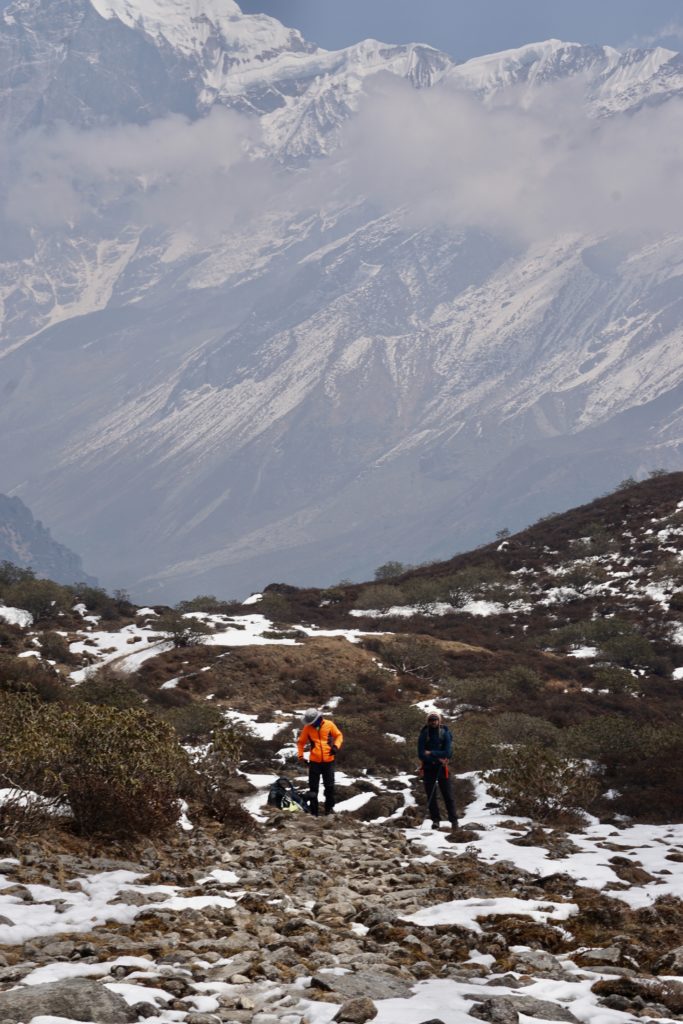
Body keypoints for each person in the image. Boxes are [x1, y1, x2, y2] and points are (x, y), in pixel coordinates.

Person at [297, 709, 343, 817]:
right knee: (313, 789)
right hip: (314, 763)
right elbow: (300, 743)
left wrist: (336, 747)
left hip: (329, 761)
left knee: (330, 787)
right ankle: (314, 813)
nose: (310, 724)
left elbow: (339, 736)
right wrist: (300, 756)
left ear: (318, 718)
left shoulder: (329, 724)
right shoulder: (307, 728)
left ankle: (328, 810)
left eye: (312, 722)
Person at [417, 710, 458, 830]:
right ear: (428, 721)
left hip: (442, 768)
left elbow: (448, 752)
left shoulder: (445, 733)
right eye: (431, 720)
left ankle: (454, 821)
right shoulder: (424, 734)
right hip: (429, 768)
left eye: (435, 719)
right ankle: (435, 821)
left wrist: (431, 753)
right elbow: (420, 754)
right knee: (431, 796)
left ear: (439, 720)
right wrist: (438, 758)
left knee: (448, 795)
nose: (433, 722)